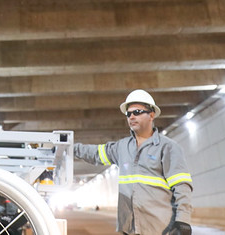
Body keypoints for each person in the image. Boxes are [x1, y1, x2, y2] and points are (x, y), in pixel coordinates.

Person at [74, 89, 193, 235]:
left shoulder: (168, 147)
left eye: (137, 112)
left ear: (151, 114)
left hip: (159, 229)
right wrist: (68, 148)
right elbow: (94, 153)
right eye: (128, 114)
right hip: (129, 229)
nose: (131, 117)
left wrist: (183, 220)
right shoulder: (121, 147)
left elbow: (182, 185)